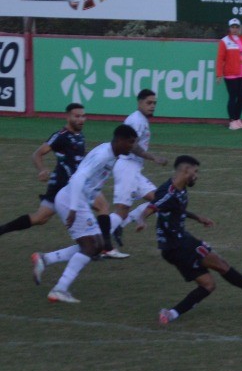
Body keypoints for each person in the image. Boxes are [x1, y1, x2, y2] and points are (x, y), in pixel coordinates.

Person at [150, 155, 242, 324]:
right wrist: (141, 219)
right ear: (186, 170)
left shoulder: (180, 189)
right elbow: (153, 205)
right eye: (195, 171)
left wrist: (197, 217)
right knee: (221, 265)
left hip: (170, 249)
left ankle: (171, 314)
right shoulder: (168, 190)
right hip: (180, 244)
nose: (197, 175)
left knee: (208, 285)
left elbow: (173, 208)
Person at [32, 124, 138, 304]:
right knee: (90, 246)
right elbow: (78, 178)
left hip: (77, 200)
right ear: (120, 141)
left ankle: (45, 259)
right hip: (71, 200)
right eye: (130, 143)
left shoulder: (111, 150)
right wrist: (73, 209)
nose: (132, 147)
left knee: (95, 245)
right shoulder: (104, 155)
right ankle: (59, 289)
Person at [0, 103, 87, 239]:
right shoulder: (60, 136)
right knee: (40, 218)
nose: (81, 119)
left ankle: (100, 244)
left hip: (75, 184)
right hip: (60, 184)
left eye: (83, 116)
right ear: (68, 117)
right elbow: (37, 154)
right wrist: (42, 170)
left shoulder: (80, 135)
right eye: (77, 116)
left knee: (101, 206)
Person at [106, 88, 167, 257]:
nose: (152, 106)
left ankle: (120, 225)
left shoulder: (141, 120)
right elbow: (131, 146)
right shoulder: (136, 120)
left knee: (160, 200)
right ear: (139, 103)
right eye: (149, 103)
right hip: (126, 168)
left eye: (154, 103)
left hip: (134, 169)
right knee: (121, 210)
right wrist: (153, 157)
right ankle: (102, 243)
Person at [217, 18, 242, 130]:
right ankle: (232, 121)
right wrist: (219, 74)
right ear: (229, 28)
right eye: (233, 27)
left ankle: (237, 119)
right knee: (233, 97)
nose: (235, 29)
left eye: (237, 27)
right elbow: (220, 59)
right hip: (230, 73)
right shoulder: (225, 41)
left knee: (241, 97)